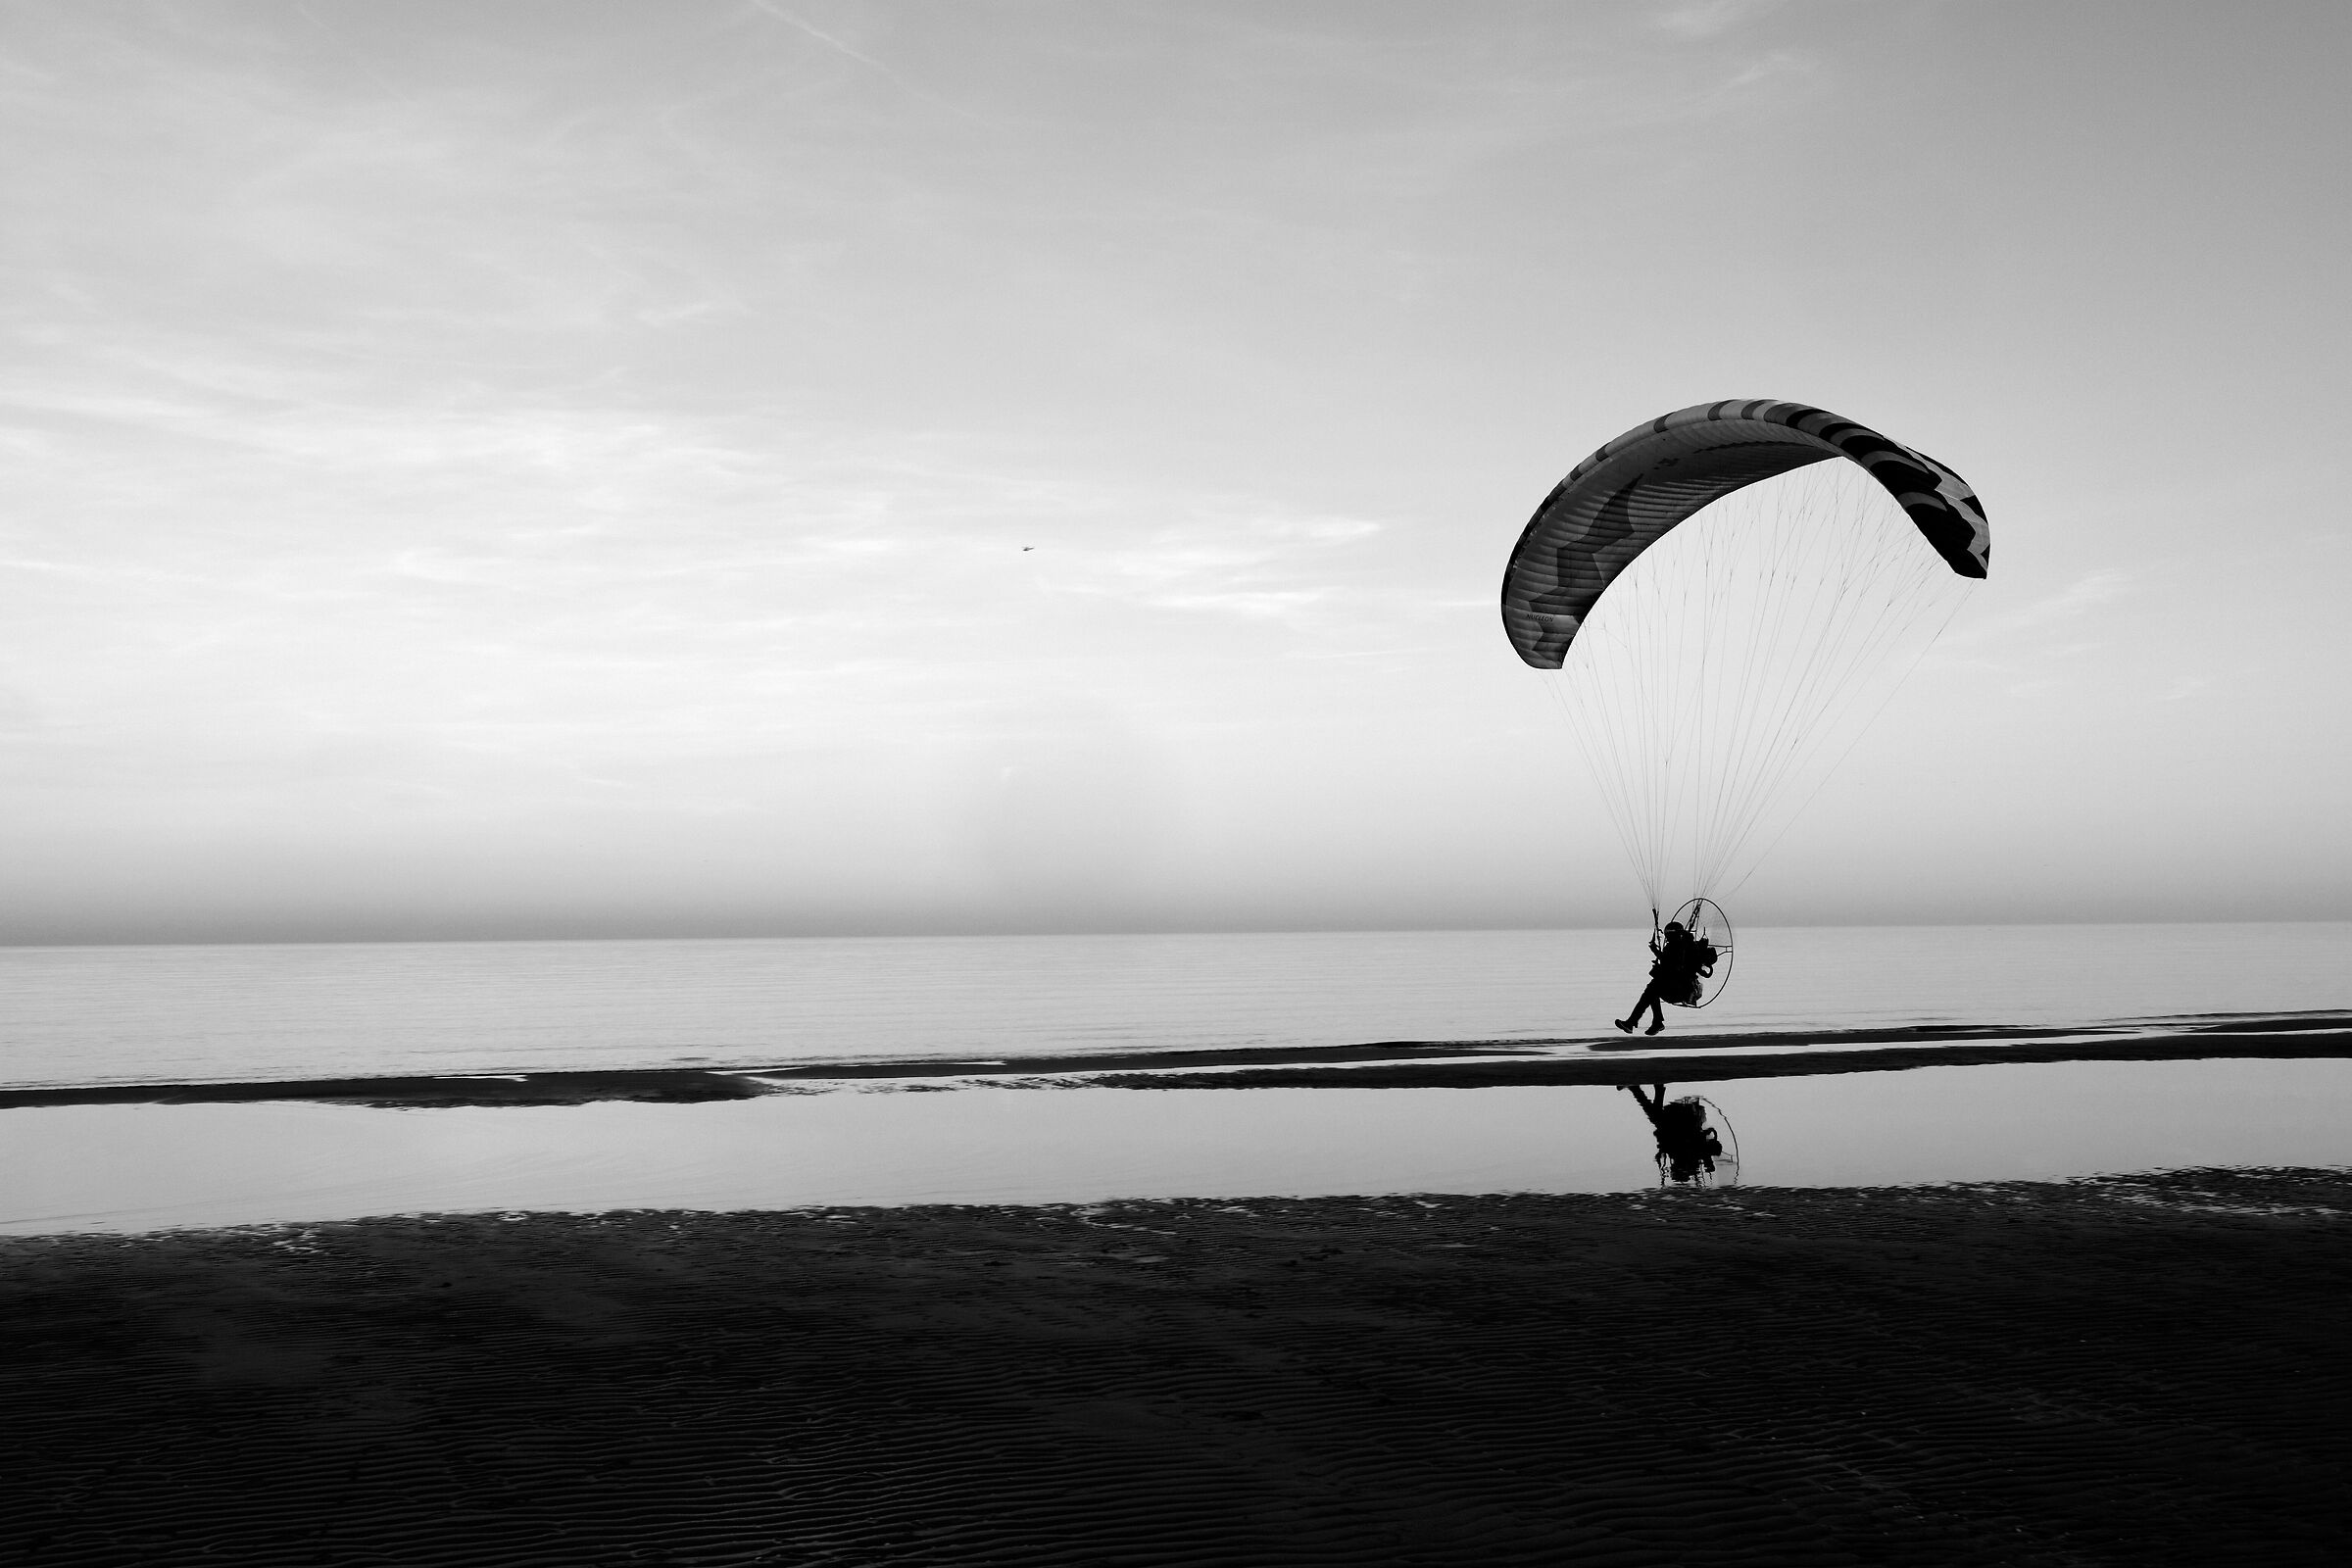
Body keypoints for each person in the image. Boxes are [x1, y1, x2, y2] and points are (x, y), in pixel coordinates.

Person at [1614, 919, 1714, 1035]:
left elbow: (1672, 964)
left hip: (1681, 991)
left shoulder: (1683, 948)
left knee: (1652, 989)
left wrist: (1656, 952)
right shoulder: (1681, 946)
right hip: (1675, 988)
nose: (1667, 938)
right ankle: (1649, 1022)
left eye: (1669, 935)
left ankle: (1643, 1022)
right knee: (1652, 989)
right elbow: (1669, 964)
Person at [1621, 1082, 1724, 1183]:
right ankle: (1643, 1089)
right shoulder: (1695, 1155)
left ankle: (1652, 1089)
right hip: (1683, 1118)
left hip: (1675, 1119)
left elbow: (1664, 1138)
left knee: (1656, 1117)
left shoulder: (1683, 1155)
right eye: (1674, 1167)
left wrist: (1661, 1150)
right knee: (1656, 1117)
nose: (1673, 1165)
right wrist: (1708, 1164)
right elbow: (1699, 1142)